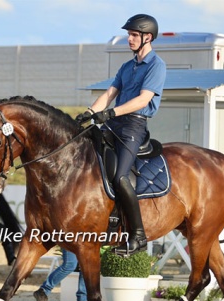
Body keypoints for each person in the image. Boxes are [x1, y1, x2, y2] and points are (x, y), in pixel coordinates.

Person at [76, 14, 166, 255]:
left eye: (134, 35)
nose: (129, 39)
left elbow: (143, 100)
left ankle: (137, 235)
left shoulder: (157, 66)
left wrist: (111, 113)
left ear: (148, 37)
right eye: (129, 34)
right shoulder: (127, 67)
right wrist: (89, 112)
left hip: (133, 127)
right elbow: (109, 94)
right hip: (114, 123)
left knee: (120, 177)